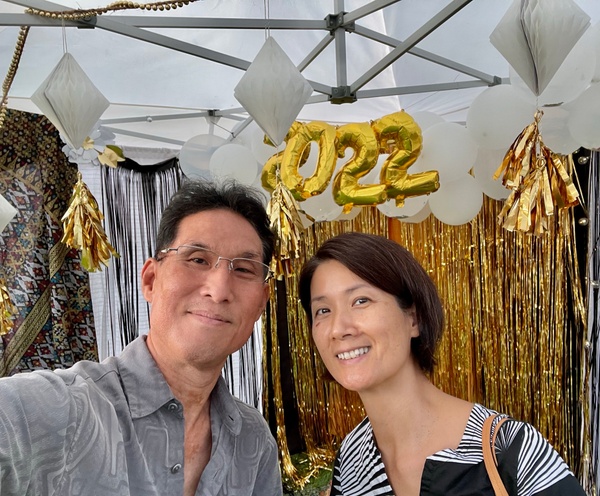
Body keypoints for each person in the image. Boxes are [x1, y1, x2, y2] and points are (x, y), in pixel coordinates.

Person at [0, 180, 283, 496]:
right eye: (197, 259)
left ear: (261, 303)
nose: (218, 290)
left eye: (243, 269)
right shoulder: (63, 410)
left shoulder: (254, 440)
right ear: (150, 280)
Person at [298, 232, 585, 496]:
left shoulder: (509, 448)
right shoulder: (352, 460)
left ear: (414, 318)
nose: (338, 328)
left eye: (361, 301)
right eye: (323, 310)